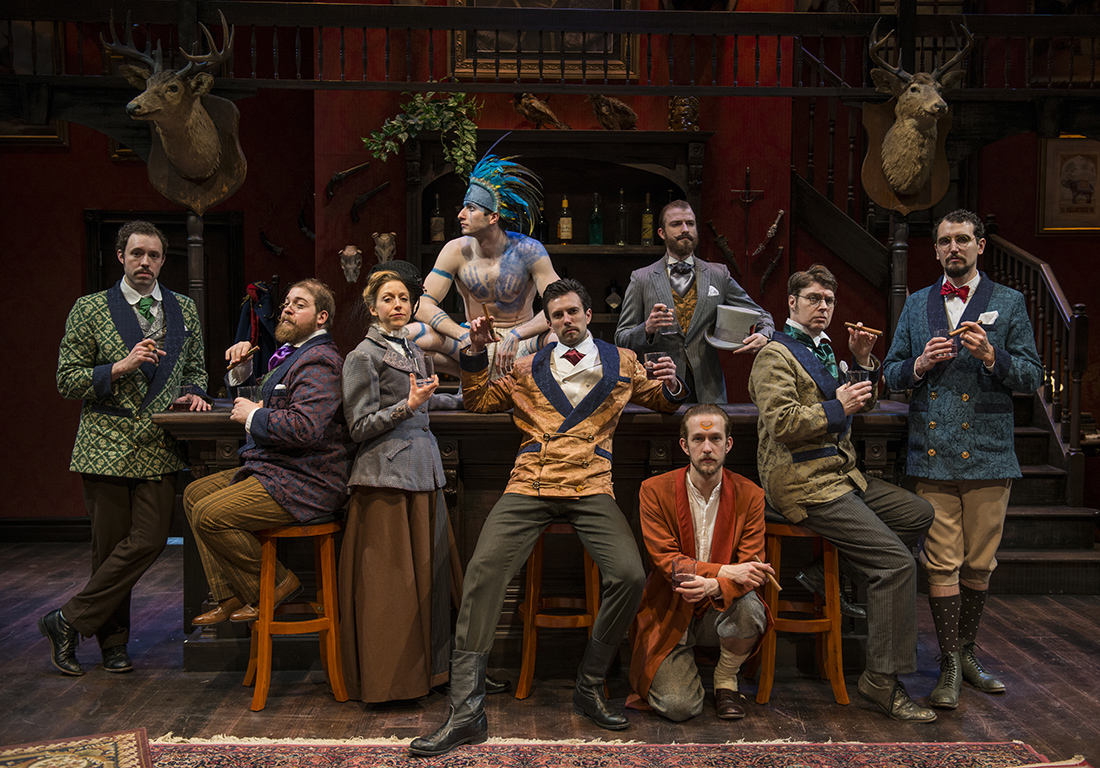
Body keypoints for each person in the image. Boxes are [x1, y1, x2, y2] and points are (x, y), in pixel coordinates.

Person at [409, 278, 688, 757]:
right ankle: (466, 711)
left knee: (628, 574)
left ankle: (590, 685)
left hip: (591, 484)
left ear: (588, 313)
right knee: (482, 572)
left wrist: (673, 381)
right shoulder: (524, 366)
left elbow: (663, 398)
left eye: (573, 311)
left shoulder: (623, 361)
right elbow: (479, 401)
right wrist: (474, 352)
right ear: (549, 322)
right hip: (530, 483)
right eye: (557, 314)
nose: (566, 320)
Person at [748, 263, 937, 722]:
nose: (823, 307)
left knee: (918, 513)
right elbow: (784, 423)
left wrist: (863, 362)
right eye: (813, 298)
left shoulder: (827, 349)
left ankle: (821, 572)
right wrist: (838, 405)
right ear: (791, 303)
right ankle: (881, 681)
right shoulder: (773, 354)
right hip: (802, 481)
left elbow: (861, 404)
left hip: (842, 475)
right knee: (895, 564)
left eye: (829, 300)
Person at [883, 210, 1043, 710]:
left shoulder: (1009, 302)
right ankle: (950, 662)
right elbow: (891, 372)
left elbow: (1033, 376)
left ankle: (968, 652)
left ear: (980, 246)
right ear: (935, 250)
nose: (954, 247)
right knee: (941, 562)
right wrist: (919, 364)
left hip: (990, 453)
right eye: (945, 240)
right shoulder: (916, 304)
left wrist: (993, 356)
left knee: (978, 562)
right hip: (932, 455)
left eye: (963, 239)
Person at [43, 220, 211, 676]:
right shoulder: (90, 308)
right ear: (121, 256)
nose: (145, 262)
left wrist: (194, 392)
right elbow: (66, 380)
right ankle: (113, 644)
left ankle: (66, 620)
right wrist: (120, 366)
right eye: (137, 253)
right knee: (109, 549)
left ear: (163, 260)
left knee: (151, 539)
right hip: (106, 447)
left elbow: (195, 369)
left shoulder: (182, 309)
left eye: (153, 255)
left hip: (159, 446)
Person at [184, 279, 354, 628]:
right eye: (287, 303)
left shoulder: (320, 361)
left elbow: (304, 427)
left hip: (308, 479)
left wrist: (254, 416)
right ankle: (232, 592)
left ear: (321, 317)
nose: (287, 309)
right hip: (280, 469)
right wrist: (242, 372)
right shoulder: (293, 355)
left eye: (299, 304)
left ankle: (277, 584)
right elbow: (276, 401)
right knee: (194, 494)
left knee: (209, 514)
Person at [338, 262, 460, 702]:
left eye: (403, 299)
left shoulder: (413, 350)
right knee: (393, 586)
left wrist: (464, 396)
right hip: (386, 479)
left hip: (424, 473)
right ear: (372, 307)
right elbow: (358, 425)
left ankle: (432, 674)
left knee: (428, 581)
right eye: (387, 299)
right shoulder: (362, 356)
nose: (397, 305)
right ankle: (391, 682)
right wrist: (405, 407)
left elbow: (425, 402)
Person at [628, 404, 774, 722]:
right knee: (679, 707)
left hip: (720, 611)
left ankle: (725, 679)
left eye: (715, 438)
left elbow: (752, 570)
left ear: (728, 444)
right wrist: (724, 572)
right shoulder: (653, 491)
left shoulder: (750, 495)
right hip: (671, 611)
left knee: (751, 607)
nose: (707, 448)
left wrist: (712, 585)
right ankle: (681, 665)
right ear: (685, 445)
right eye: (698, 439)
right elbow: (668, 562)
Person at [406, 154, 560, 380]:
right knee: (409, 335)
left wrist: (517, 334)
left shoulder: (529, 250)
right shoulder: (455, 250)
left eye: (470, 208)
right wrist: (462, 334)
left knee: (564, 337)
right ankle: (465, 374)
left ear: (493, 217)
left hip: (522, 342)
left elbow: (558, 304)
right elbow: (421, 304)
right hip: (473, 341)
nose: (460, 215)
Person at [615, 200, 774, 403]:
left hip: (709, 390)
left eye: (690, 223)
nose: (685, 229)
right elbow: (621, 339)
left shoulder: (718, 274)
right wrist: (647, 328)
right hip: (660, 389)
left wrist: (764, 334)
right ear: (662, 233)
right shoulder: (641, 279)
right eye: (676, 224)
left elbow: (762, 316)